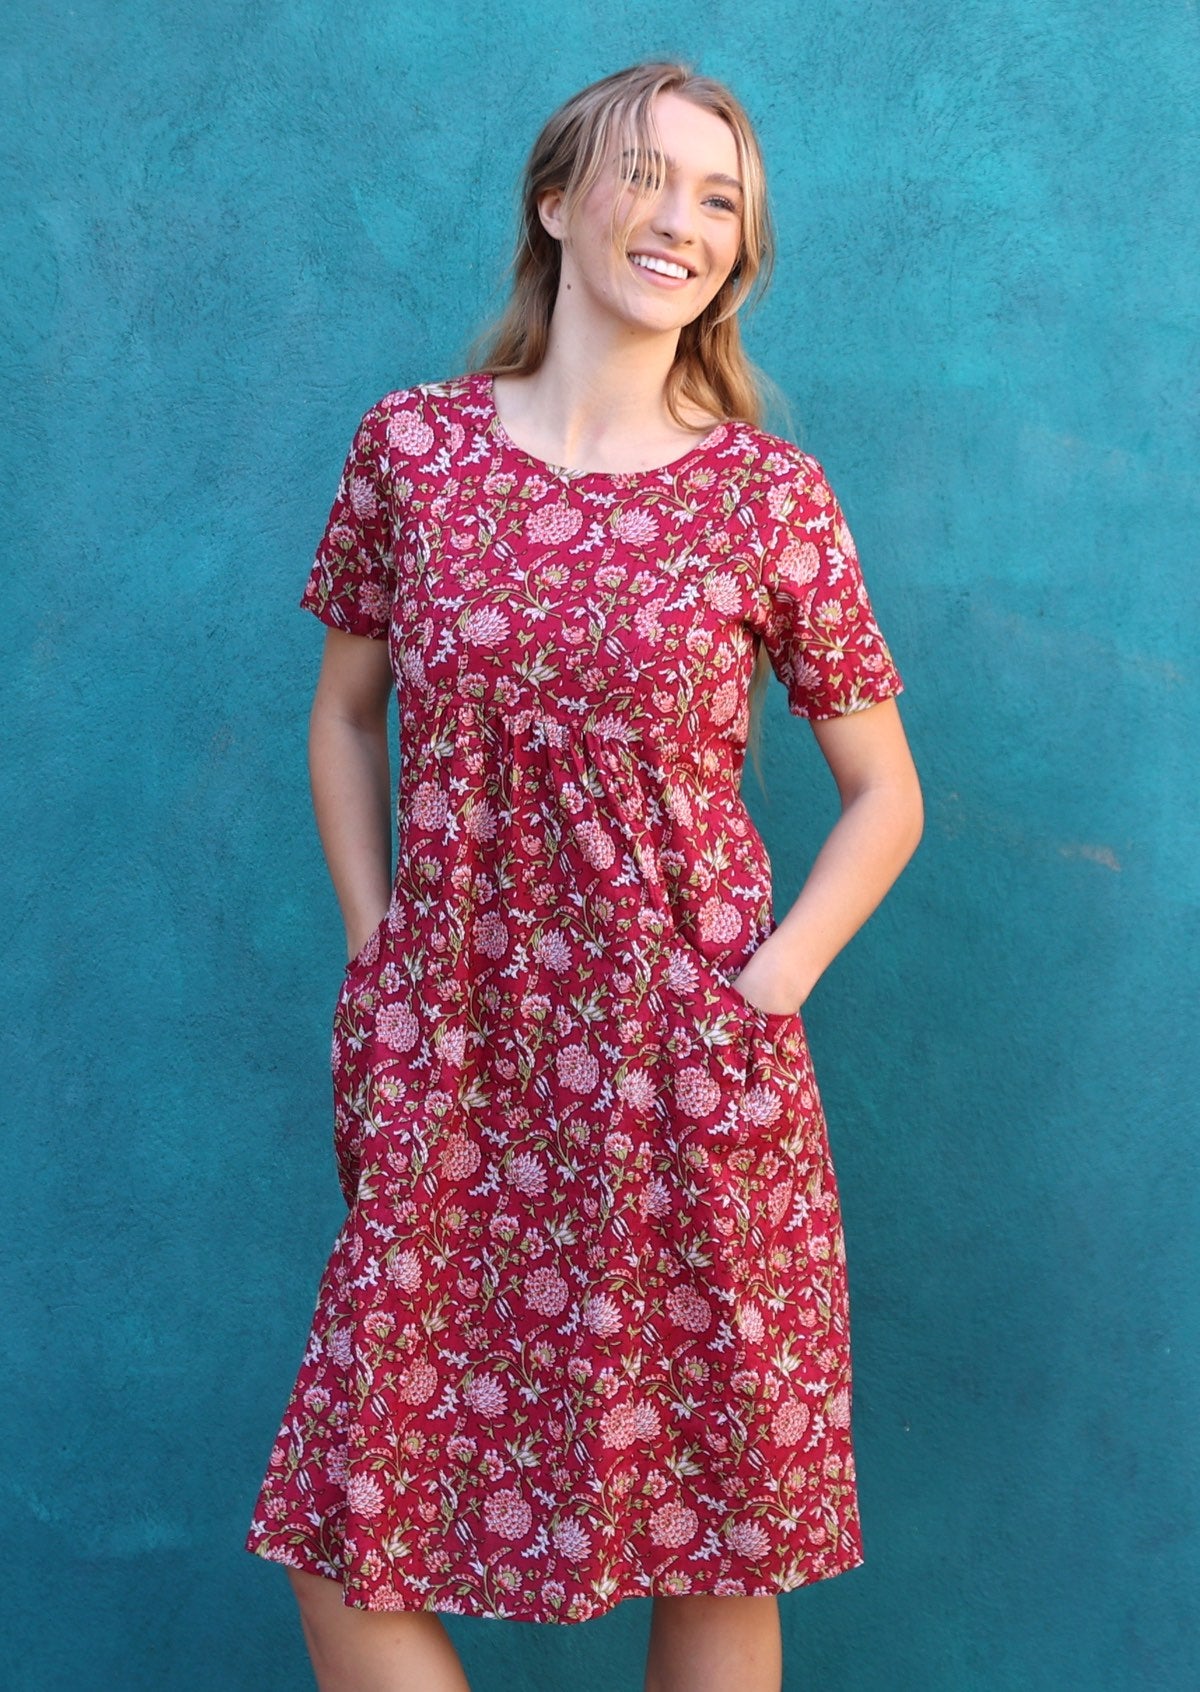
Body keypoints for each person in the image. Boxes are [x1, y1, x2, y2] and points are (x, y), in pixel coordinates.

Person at [244, 58, 923, 1692]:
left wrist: (764, 986)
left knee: (713, 1533)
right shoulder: (414, 449)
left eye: (718, 197)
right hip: (455, 1052)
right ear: (558, 203)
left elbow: (886, 795)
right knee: (344, 1534)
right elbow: (344, 720)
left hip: (692, 1066)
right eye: (647, 177)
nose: (679, 221)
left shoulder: (772, 499)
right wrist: (374, 945)